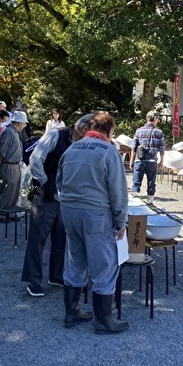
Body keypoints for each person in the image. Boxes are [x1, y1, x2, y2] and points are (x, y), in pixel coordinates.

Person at [57, 113, 129, 334]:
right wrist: (121, 221)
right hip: (96, 214)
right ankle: (103, 320)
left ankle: (72, 312)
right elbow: (118, 191)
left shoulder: (71, 149)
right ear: (109, 130)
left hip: (69, 211)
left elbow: (59, 181)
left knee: (75, 259)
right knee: (104, 265)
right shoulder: (108, 152)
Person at [22, 113, 94, 298]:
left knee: (62, 240)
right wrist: (46, 184)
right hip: (45, 195)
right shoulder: (56, 135)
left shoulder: (84, 144)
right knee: (38, 240)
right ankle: (34, 280)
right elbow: (35, 160)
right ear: (85, 129)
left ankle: (56, 275)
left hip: (67, 199)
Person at [0, 111, 27, 211]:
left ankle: (9, 213)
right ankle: (2, 213)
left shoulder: (15, 132)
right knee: (7, 192)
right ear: (19, 123)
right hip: (8, 165)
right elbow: (2, 150)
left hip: (15, 165)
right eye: (24, 123)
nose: (24, 125)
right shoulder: (9, 132)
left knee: (14, 193)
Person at [130, 110, 166, 203]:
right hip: (152, 161)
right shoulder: (159, 132)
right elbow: (162, 148)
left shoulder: (139, 131)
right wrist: (162, 161)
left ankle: (134, 204)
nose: (158, 121)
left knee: (136, 183)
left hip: (139, 160)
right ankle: (150, 202)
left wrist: (131, 161)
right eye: (158, 119)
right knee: (151, 183)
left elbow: (134, 147)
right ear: (155, 119)